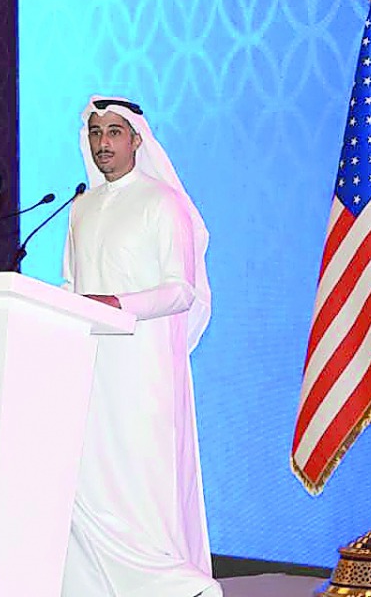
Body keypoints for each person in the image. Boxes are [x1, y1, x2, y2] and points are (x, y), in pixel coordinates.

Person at [60, 95, 220, 597]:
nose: (103, 143)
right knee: (87, 478)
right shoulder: (80, 208)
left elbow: (181, 290)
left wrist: (116, 302)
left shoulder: (161, 202)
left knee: (141, 481)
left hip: (143, 370)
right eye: (95, 134)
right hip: (90, 368)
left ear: (135, 140)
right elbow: (69, 286)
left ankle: (170, 585)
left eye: (113, 133)